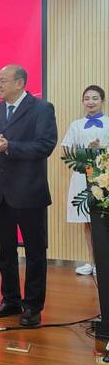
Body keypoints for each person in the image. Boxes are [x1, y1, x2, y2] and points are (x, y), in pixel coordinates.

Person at [0, 64, 57, 327]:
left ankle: (33, 306)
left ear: (20, 82)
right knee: (5, 250)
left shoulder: (41, 108)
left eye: (3, 80)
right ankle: (10, 299)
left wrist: (10, 146)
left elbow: (45, 145)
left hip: (29, 191)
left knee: (34, 252)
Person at [61, 85, 109, 276]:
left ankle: (104, 264)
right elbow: (66, 149)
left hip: (105, 176)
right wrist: (84, 151)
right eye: (87, 98)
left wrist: (101, 149)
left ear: (102, 101)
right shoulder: (76, 125)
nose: (91, 102)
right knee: (88, 222)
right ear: (82, 102)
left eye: (95, 98)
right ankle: (93, 262)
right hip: (82, 176)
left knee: (104, 220)